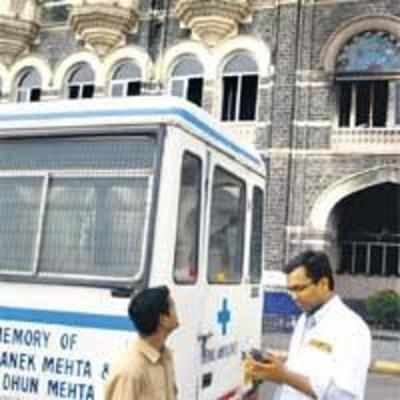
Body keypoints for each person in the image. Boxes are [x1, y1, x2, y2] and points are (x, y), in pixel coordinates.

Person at [245, 250, 371, 400]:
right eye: (290, 290)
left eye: (299, 288)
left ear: (323, 283)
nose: (293, 297)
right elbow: (301, 373)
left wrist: (285, 376)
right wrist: (275, 369)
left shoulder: (352, 328)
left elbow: (344, 396)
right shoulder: (304, 320)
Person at [105, 285, 179, 400]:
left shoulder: (165, 357)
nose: (177, 312)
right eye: (173, 307)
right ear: (163, 319)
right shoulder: (130, 371)